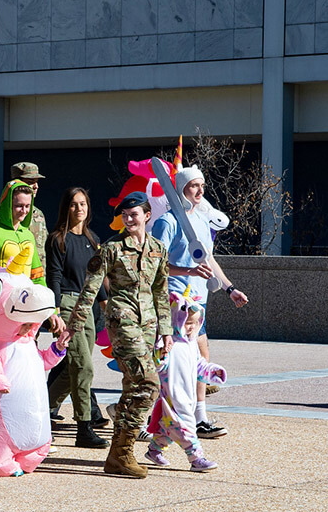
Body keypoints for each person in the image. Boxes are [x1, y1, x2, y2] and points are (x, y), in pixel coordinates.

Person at [60, 192, 171, 479]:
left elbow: (160, 291)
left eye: (134, 214)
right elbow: (91, 287)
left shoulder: (158, 248)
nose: (129, 219)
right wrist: (73, 324)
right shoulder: (111, 249)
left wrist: (166, 331)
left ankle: (117, 456)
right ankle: (122, 451)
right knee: (149, 384)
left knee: (132, 388)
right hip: (122, 322)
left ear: (147, 216)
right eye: (125, 215)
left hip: (147, 325)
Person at [150, 166, 248, 439]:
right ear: (181, 189)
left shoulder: (203, 222)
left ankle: (196, 418)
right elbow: (154, 264)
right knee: (171, 362)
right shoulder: (167, 223)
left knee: (199, 360)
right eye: (193, 185)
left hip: (197, 302)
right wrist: (188, 272)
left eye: (201, 185)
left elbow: (208, 260)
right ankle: (156, 418)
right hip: (173, 302)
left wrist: (230, 289)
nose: (200, 190)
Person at [45, 187, 109, 448]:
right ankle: (84, 427)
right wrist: (55, 313)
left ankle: (41, 409)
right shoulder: (58, 239)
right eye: (73, 204)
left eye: (83, 204)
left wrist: (107, 306)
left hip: (89, 305)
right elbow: (55, 277)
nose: (79, 208)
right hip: (68, 304)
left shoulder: (93, 240)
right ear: (66, 208)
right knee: (84, 367)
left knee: (72, 370)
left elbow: (97, 279)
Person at [145, 289, 224, 472]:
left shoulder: (191, 344)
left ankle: (154, 450)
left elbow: (199, 366)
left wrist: (214, 371)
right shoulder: (168, 343)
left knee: (168, 428)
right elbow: (157, 364)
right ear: (176, 319)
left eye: (195, 323)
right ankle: (197, 458)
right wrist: (161, 355)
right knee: (185, 427)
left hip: (187, 396)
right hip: (173, 397)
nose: (191, 327)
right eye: (188, 322)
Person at [0, 180, 65, 334]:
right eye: (19, 206)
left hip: (28, 313)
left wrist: (51, 312)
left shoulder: (28, 235)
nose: (24, 211)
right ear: (7, 204)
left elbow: (37, 277)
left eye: (27, 206)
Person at [0, 162, 49, 269]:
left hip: (34, 277)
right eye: (30, 182)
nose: (36, 186)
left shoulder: (38, 214)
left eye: (36, 182)